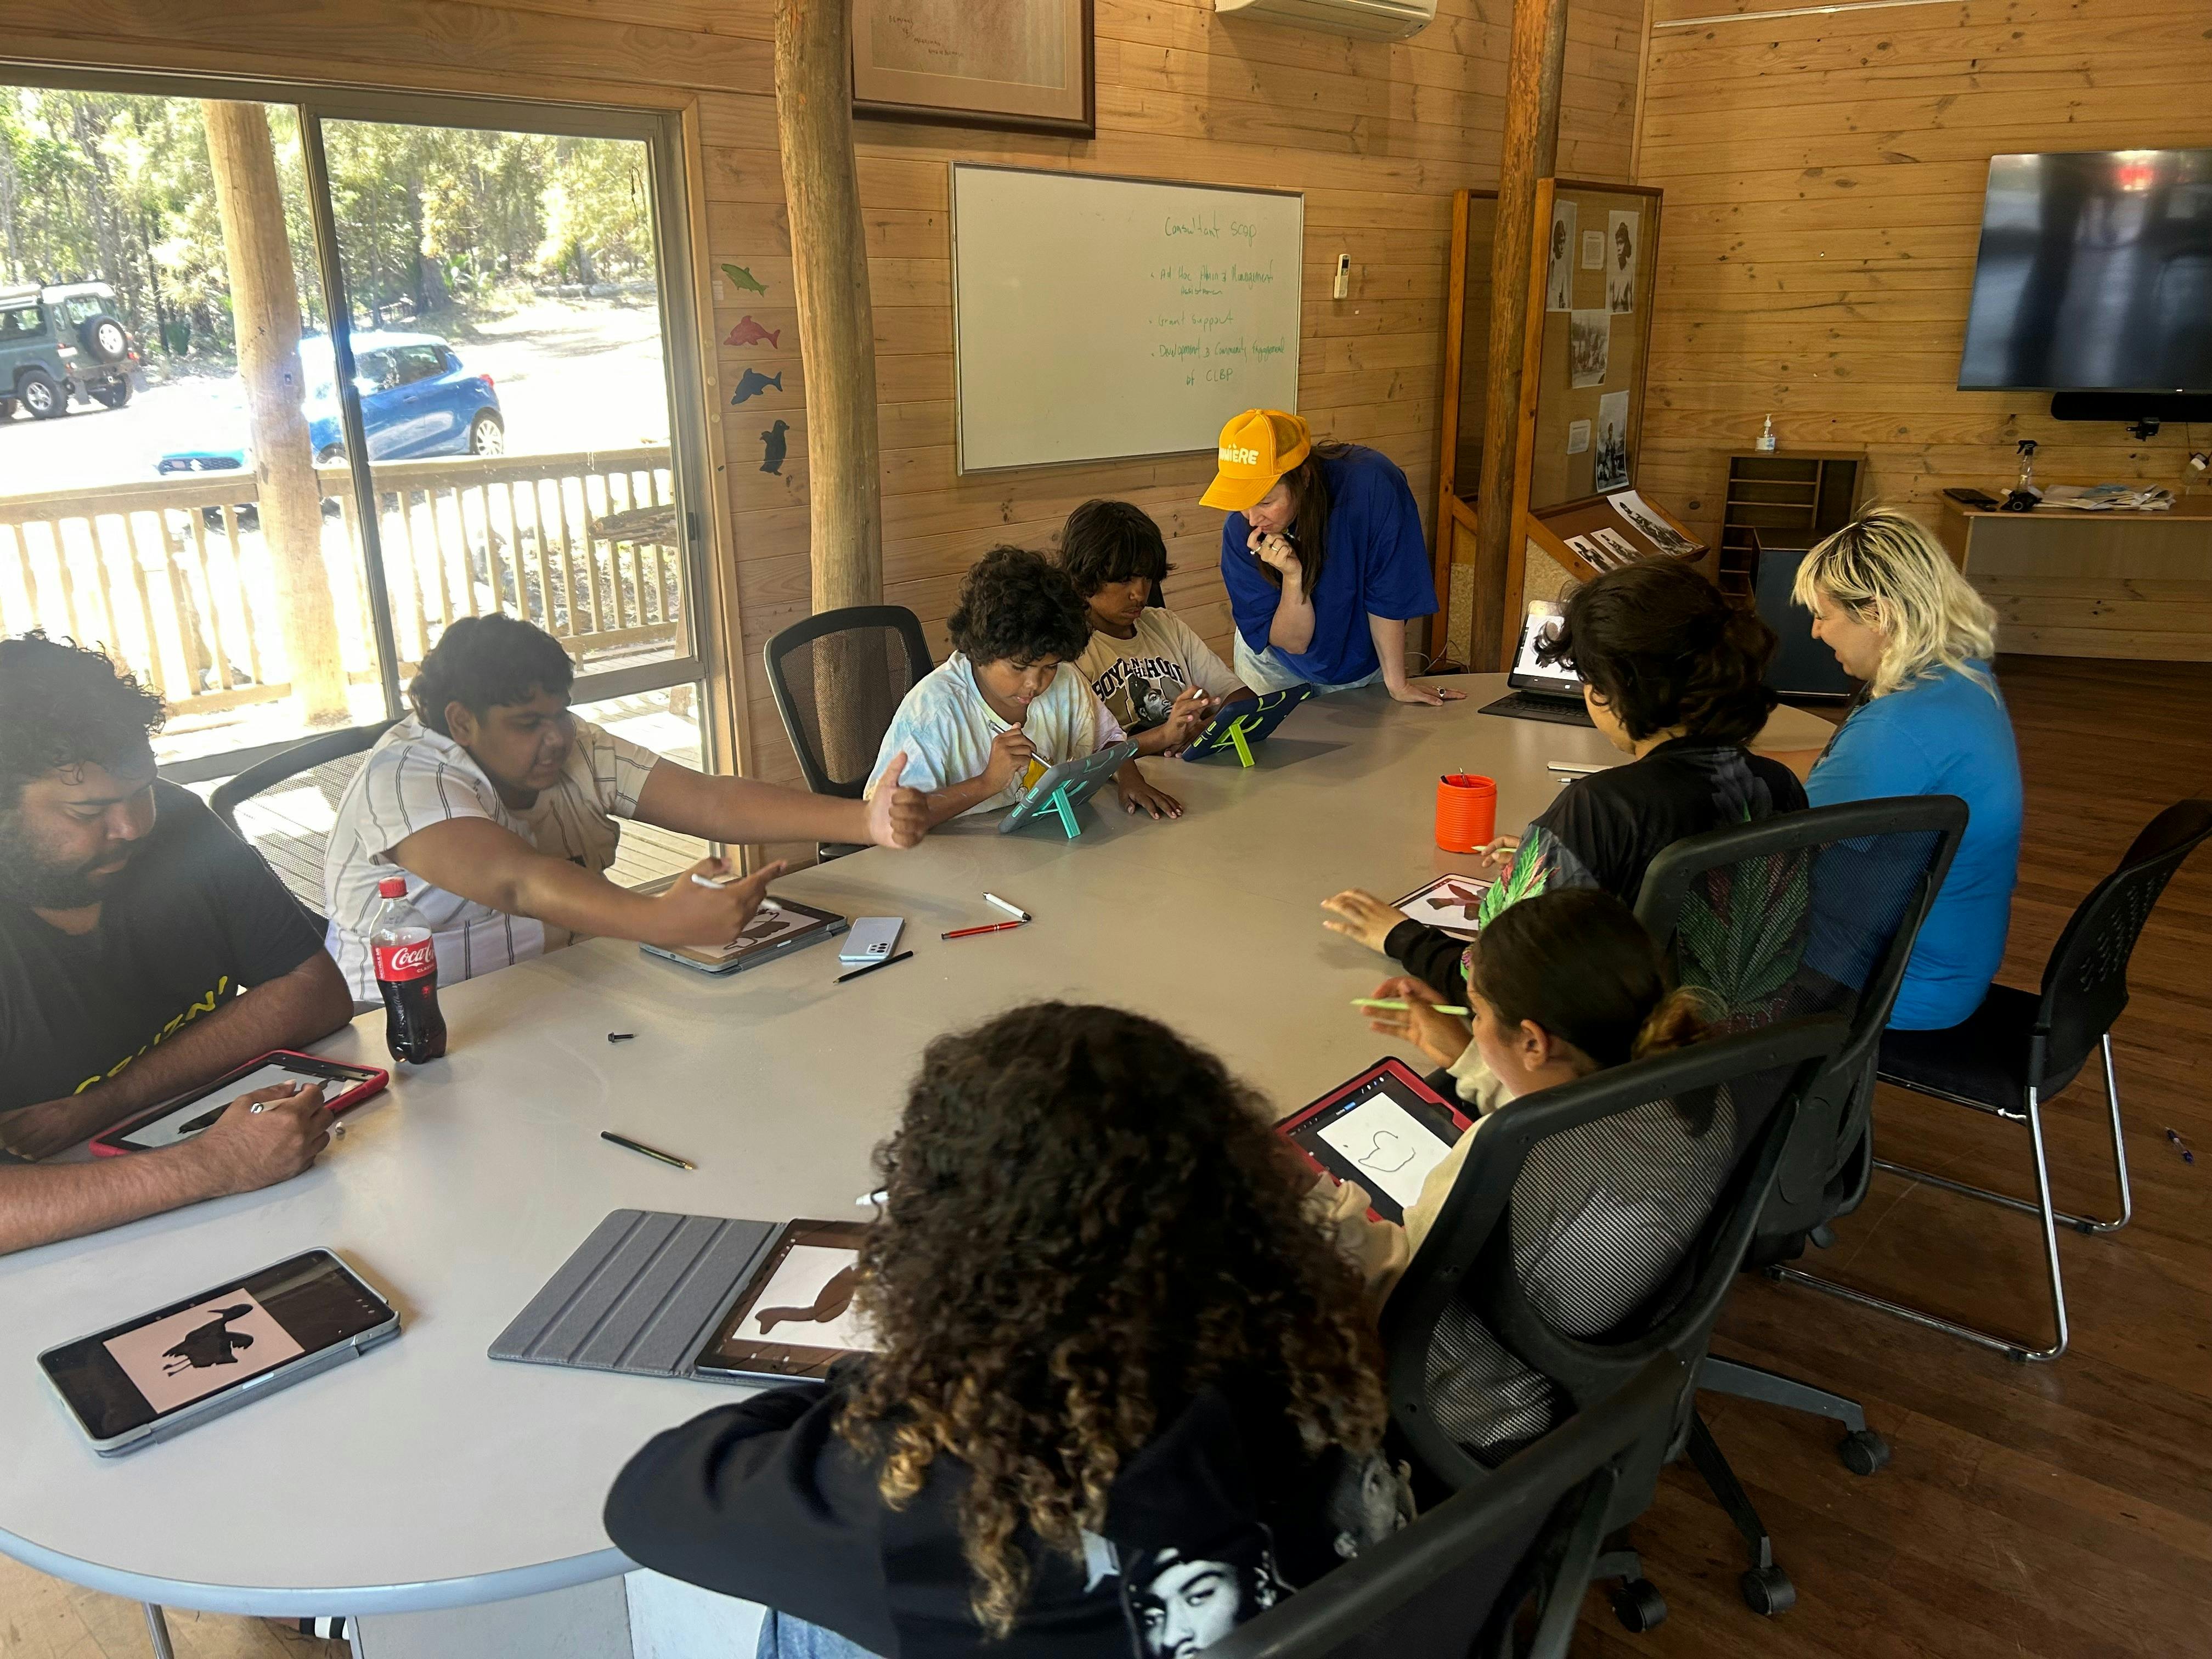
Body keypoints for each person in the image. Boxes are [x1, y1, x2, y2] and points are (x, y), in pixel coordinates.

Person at [606, 1003, 1404, 1659]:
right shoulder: (1303, 1347)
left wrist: (896, 1387)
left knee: (829, 1604)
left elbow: (648, 1500)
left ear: (951, 1250)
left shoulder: (925, 1493)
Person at [322, 614, 928, 999]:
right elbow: (517, 881)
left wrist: (863, 819)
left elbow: (709, 799)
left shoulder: (574, 743)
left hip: (559, 990)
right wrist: (665, 921)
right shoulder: (403, 776)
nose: (556, 736)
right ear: (462, 721)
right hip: (402, 1022)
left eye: (560, 711)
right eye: (528, 722)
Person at [1325, 892, 1720, 1454]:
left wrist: (1311, 1198)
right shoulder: (1700, 1085)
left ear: (1534, 1042)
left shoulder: (1502, 1159)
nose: (1474, 1024)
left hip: (1472, 1409)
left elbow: (1389, 1285)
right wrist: (1470, 1057)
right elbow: (1564, 1114)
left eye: (1478, 1013)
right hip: (1587, 1362)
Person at [1322, 560, 1805, 1012]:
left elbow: (1493, 982)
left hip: (1623, 1060)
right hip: (1746, 1045)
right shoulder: (1777, 784)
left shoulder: (1601, 807)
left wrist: (1401, 936)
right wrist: (1569, 855)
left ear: (1609, 690)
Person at [0, 633, 348, 1256]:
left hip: (215, 1202)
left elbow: (314, 989)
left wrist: (113, 1099)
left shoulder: (177, 824)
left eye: (143, 793)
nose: (133, 827)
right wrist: (212, 1166)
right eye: (88, 813)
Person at [1774, 509, 2022, 1029]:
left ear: (1879, 614)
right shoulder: (1960, 682)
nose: (1817, 632)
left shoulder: (1897, 729)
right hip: (1944, 964)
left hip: (1894, 984)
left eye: (1824, 615)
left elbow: (1780, 844)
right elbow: (1829, 771)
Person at [867, 546, 1183, 827]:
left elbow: (1107, 742)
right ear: (980, 650)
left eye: (1050, 666)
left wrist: (1130, 778)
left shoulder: (1066, 683)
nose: (1035, 683)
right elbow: (888, 816)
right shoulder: (933, 712)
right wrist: (987, 783)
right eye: (1018, 668)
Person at [1204, 410, 1463, 706]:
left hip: (1356, 659)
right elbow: (1294, 643)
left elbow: (1388, 592)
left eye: (1265, 501)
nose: (1252, 519)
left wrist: (1397, 683)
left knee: (1368, 750)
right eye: (1241, 501)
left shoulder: (1371, 487)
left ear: (1304, 477)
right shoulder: (1241, 530)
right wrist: (1293, 578)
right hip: (1273, 665)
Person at [1058, 499, 1250, 755]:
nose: (1139, 594)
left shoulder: (1165, 625)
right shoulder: (1067, 651)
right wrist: (1166, 735)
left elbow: (1242, 698)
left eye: (1148, 578)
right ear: (1087, 577)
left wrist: (1202, 729)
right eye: (1125, 581)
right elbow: (1089, 754)